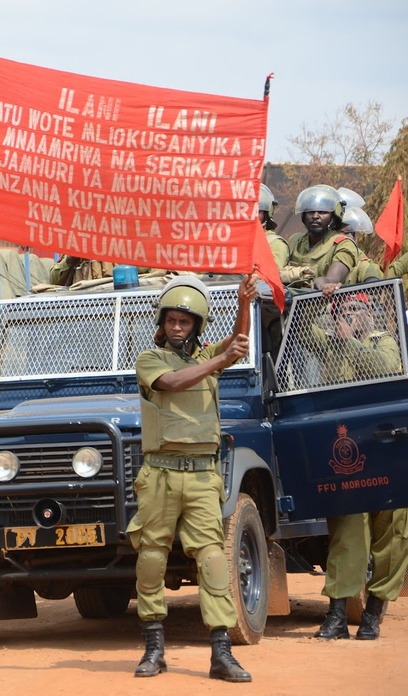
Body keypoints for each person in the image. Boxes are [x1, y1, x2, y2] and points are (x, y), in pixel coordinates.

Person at [128, 273, 256, 683]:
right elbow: (173, 382)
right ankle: (153, 648)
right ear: (162, 324)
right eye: (171, 321)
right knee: (151, 558)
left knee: (213, 559)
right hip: (161, 474)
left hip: (202, 475)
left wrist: (243, 305)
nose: (177, 327)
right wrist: (219, 360)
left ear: (196, 325)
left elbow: (236, 345)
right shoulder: (150, 359)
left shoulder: (208, 359)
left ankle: (221, 652)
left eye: (185, 322)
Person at [313, 295, 408, 641]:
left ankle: (373, 613)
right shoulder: (328, 344)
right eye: (345, 311)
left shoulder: (383, 342)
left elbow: (384, 370)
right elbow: (305, 334)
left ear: (370, 315)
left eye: (358, 310)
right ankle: (337, 615)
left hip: (386, 442)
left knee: (394, 529)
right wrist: (317, 297)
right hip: (346, 446)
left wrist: (351, 340)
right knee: (347, 531)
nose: (352, 316)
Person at [285, 184, 358, 291]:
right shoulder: (295, 241)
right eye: (310, 212)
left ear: (334, 216)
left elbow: (333, 279)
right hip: (289, 302)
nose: (315, 216)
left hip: (324, 303)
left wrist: (324, 281)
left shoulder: (343, 244)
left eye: (322, 212)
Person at [259, 183, 290, 268]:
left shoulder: (275, 244)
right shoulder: (230, 240)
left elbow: (269, 276)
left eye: (257, 211)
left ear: (266, 214)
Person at [48, 256, 113, 286]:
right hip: (78, 302)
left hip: (107, 299)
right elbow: (54, 280)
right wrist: (69, 260)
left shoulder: (112, 247)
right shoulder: (73, 249)